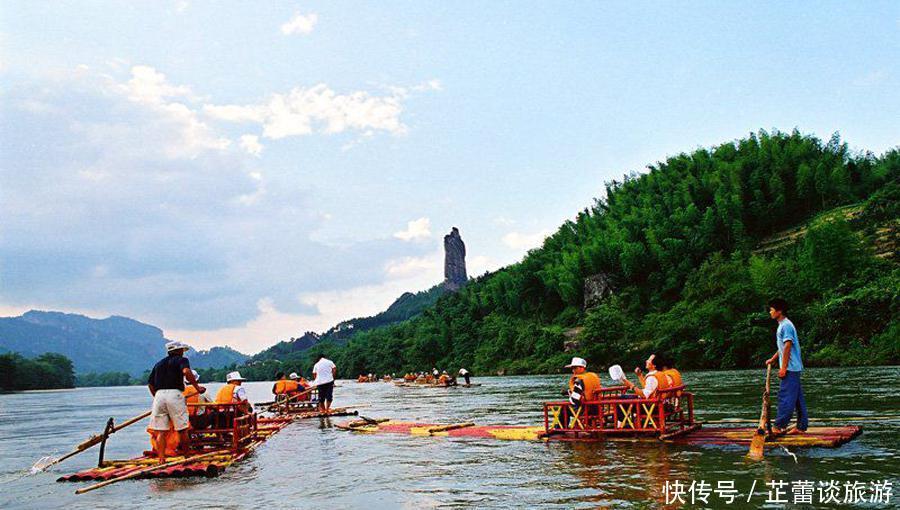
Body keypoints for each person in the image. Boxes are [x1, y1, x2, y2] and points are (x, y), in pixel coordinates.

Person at [147, 341, 205, 463]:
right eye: (182, 350)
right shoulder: (181, 360)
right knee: (182, 429)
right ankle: (187, 457)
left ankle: (161, 459)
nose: (183, 352)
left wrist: (156, 396)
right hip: (175, 394)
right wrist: (197, 387)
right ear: (178, 351)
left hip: (159, 395)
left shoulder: (159, 364)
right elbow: (186, 372)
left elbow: (150, 384)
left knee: (161, 431)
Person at [765, 298, 808, 435]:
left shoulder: (786, 325)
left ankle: (779, 425)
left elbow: (788, 346)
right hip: (792, 367)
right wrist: (773, 359)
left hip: (790, 368)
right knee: (796, 398)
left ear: (779, 311)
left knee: (786, 396)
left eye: (772, 309)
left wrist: (783, 368)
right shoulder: (783, 325)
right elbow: (783, 347)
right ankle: (801, 426)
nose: (770, 312)